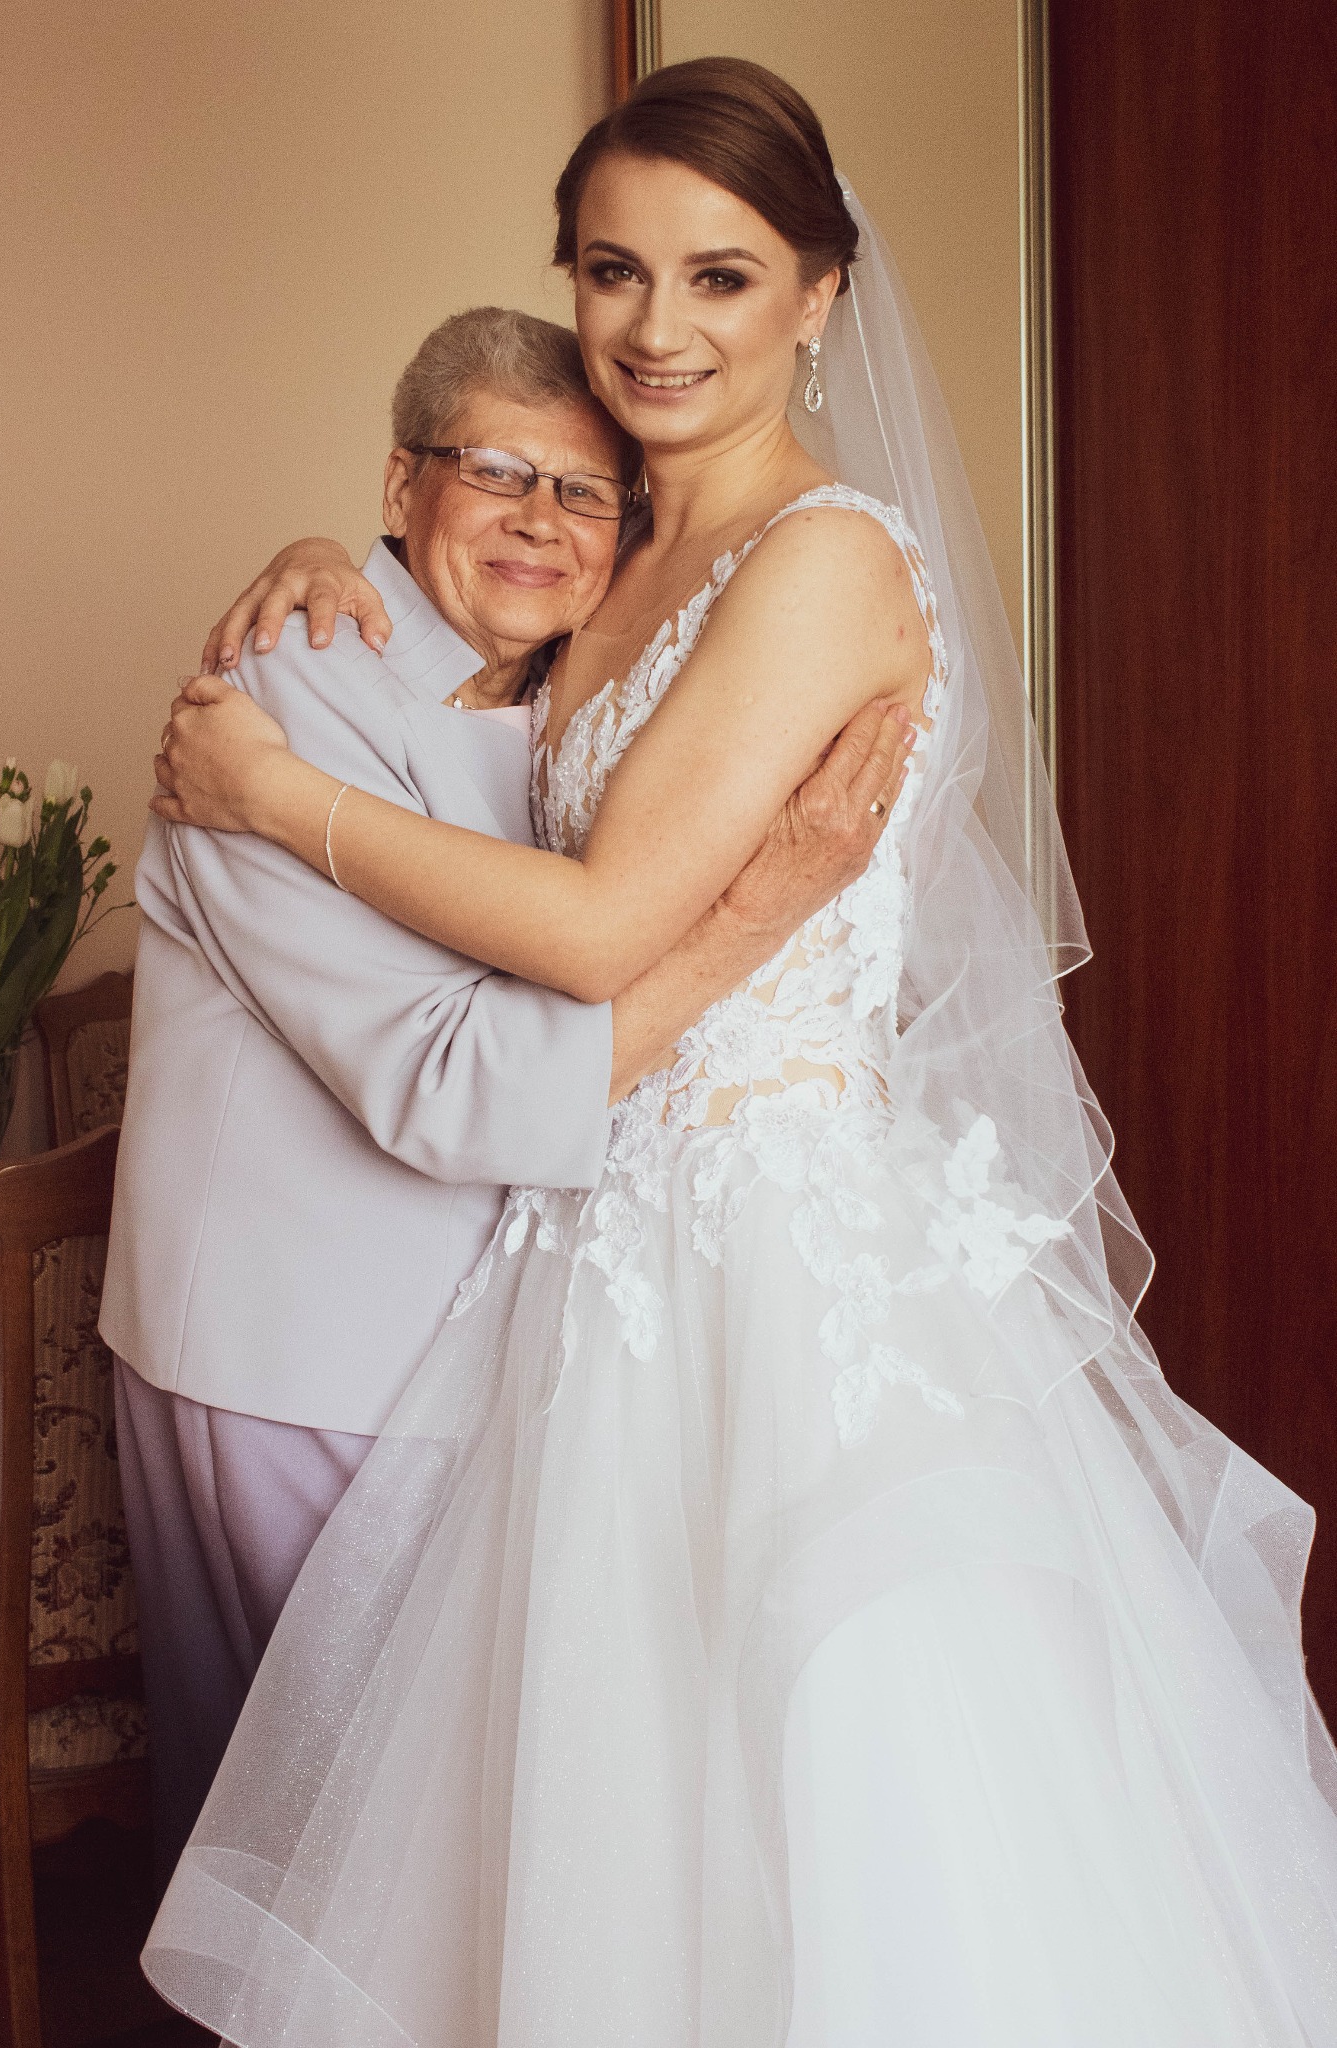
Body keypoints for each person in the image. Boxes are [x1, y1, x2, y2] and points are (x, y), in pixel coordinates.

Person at [142, 58, 1337, 2048]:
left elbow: (604, 925)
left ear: (818, 296)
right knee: (596, 1806)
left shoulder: (820, 559)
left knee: (848, 1772)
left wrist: (270, 796)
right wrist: (315, 558)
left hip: (782, 1263)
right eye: (614, 272)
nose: (655, 327)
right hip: (587, 1241)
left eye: (720, 275)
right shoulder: (610, 567)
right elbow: (458, 609)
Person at [99, 301, 912, 1880]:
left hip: (500, 1328)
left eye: (585, 492)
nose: (542, 523)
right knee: (320, 1844)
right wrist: (752, 920)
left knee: (480, 1832)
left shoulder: (572, 706)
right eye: (494, 474)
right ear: (401, 488)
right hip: (296, 1343)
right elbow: (451, 1084)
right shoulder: (276, 705)